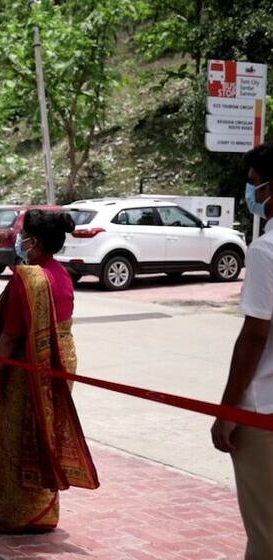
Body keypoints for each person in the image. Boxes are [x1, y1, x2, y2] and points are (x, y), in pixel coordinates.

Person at [0, 209, 99, 534]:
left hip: (27, 364)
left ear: (32, 241)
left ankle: (15, 513)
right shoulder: (61, 274)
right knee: (46, 430)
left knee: (16, 434)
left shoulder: (29, 278)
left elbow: (12, 335)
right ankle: (44, 511)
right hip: (60, 361)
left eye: (21, 234)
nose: (18, 239)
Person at [211, 141, 273, 559]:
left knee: (267, 530)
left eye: (256, 185)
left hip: (263, 410)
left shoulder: (266, 251)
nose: (253, 195)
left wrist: (227, 412)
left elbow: (254, 336)